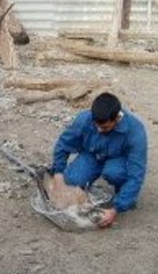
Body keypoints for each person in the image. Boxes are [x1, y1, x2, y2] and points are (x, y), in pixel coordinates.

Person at [49, 92, 148, 228]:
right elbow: (63, 144)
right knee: (71, 180)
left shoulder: (135, 131)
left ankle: (123, 198)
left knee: (114, 172)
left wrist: (115, 209)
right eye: (96, 126)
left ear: (117, 118)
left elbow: (136, 175)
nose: (99, 130)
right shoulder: (85, 119)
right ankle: (84, 187)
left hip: (118, 160)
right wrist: (58, 174)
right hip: (92, 155)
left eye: (105, 127)